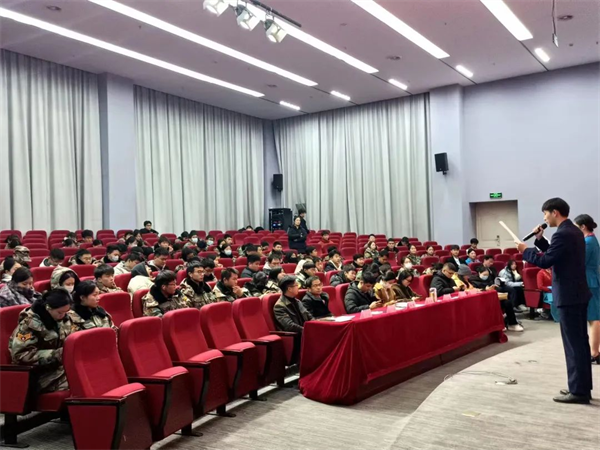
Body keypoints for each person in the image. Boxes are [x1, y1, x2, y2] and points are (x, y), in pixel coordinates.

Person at [9, 289, 75, 392]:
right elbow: (21, 355)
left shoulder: (64, 318)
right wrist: (58, 354)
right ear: (48, 308)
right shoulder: (29, 324)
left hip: (60, 367)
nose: (63, 316)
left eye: (65, 312)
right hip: (39, 374)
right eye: (59, 312)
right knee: (78, 383)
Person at [573, 214, 600, 364]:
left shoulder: (588, 242)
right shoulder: (591, 240)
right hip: (591, 279)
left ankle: (594, 352)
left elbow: (579, 262)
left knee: (594, 318)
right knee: (593, 317)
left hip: (589, 281)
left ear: (583, 227)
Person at [471, 265, 523, 332]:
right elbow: (474, 291)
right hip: (483, 301)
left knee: (507, 302)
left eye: (487, 275)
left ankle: (512, 324)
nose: (486, 276)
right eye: (484, 275)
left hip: (494, 298)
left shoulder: (489, 279)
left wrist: (495, 287)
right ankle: (498, 324)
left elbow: (494, 288)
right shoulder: (473, 281)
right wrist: (485, 290)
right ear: (479, 273)